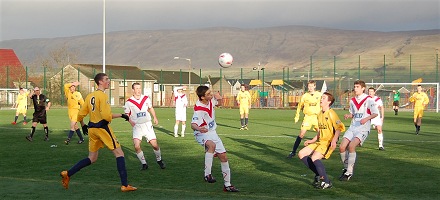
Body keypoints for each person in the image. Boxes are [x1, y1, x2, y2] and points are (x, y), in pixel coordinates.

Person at [60, 73, 137, 192]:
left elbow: (81, 114)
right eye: (106, 79)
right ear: (100, 82)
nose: (109, 81)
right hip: (102, 128)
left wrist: (83, 124)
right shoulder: (103, 96)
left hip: (91, 129)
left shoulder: (90, 96)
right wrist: (121, 116)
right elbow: (106, 116)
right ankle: (125, 185)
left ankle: (68, 173)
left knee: (92, 158)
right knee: (119, 154)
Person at [191, 85, 239, 192]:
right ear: (202, 97)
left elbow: (218, 103)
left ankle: (227, 185)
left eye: (210, 92)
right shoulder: (198, 109)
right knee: (211, 145)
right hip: (202, 133)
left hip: (213, 132)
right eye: (208, 94)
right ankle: (207, 174)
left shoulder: (211, 100)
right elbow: (193, 124)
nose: (211, 95)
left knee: (224, 158)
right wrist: (199, 128)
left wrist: (219, 98)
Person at [298, 92, 345, 189]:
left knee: (314, 157)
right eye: (321, 98)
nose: (321, 99)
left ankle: (326, 181)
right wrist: (312, 140)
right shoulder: (320, 114)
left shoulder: (331, 113)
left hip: (327, 142)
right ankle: (320, 174)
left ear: (329, 102)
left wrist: (334, 141)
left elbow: (338, 128)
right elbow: (320, 131)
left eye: (323, 98)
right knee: (301, 153)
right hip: (320, 141)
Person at [339, 80, 378, 181]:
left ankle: (349, 172)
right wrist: (349, 115)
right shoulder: (352, 100)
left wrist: (366, 118)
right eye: (355, 87)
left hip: (363, 129)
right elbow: (353, 114)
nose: (355, 89)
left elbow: (375, 113)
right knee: (342, 147)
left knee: (351, 146)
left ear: (363, 88)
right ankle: (346, 168)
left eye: (357, 87)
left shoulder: (369, 100)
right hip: (353, 127)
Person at [124, 83, 165, 170]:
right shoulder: (129, 102)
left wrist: (155, 117)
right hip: (137, 126)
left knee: (155, 145)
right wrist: (130, 121)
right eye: (136, 88)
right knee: (136, 146)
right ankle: (144, 164)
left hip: (147, 125)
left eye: (139, 88)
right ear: (133, 90)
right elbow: (126, 114)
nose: (138, 90)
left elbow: (150, 108)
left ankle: (159, 160)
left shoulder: (146, 98)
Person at [287, 80, 322, 159]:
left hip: (317, 117)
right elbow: (299, 106)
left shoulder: (319, 95)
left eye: (311, 86)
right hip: (308, 117)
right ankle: (293, 151)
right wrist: (297, 116)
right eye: (309, 86)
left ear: (314, 86)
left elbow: (324, 103)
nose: (310, 88)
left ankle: (321, 150)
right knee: (301, 134)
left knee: (321, 134)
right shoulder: (305, 96)